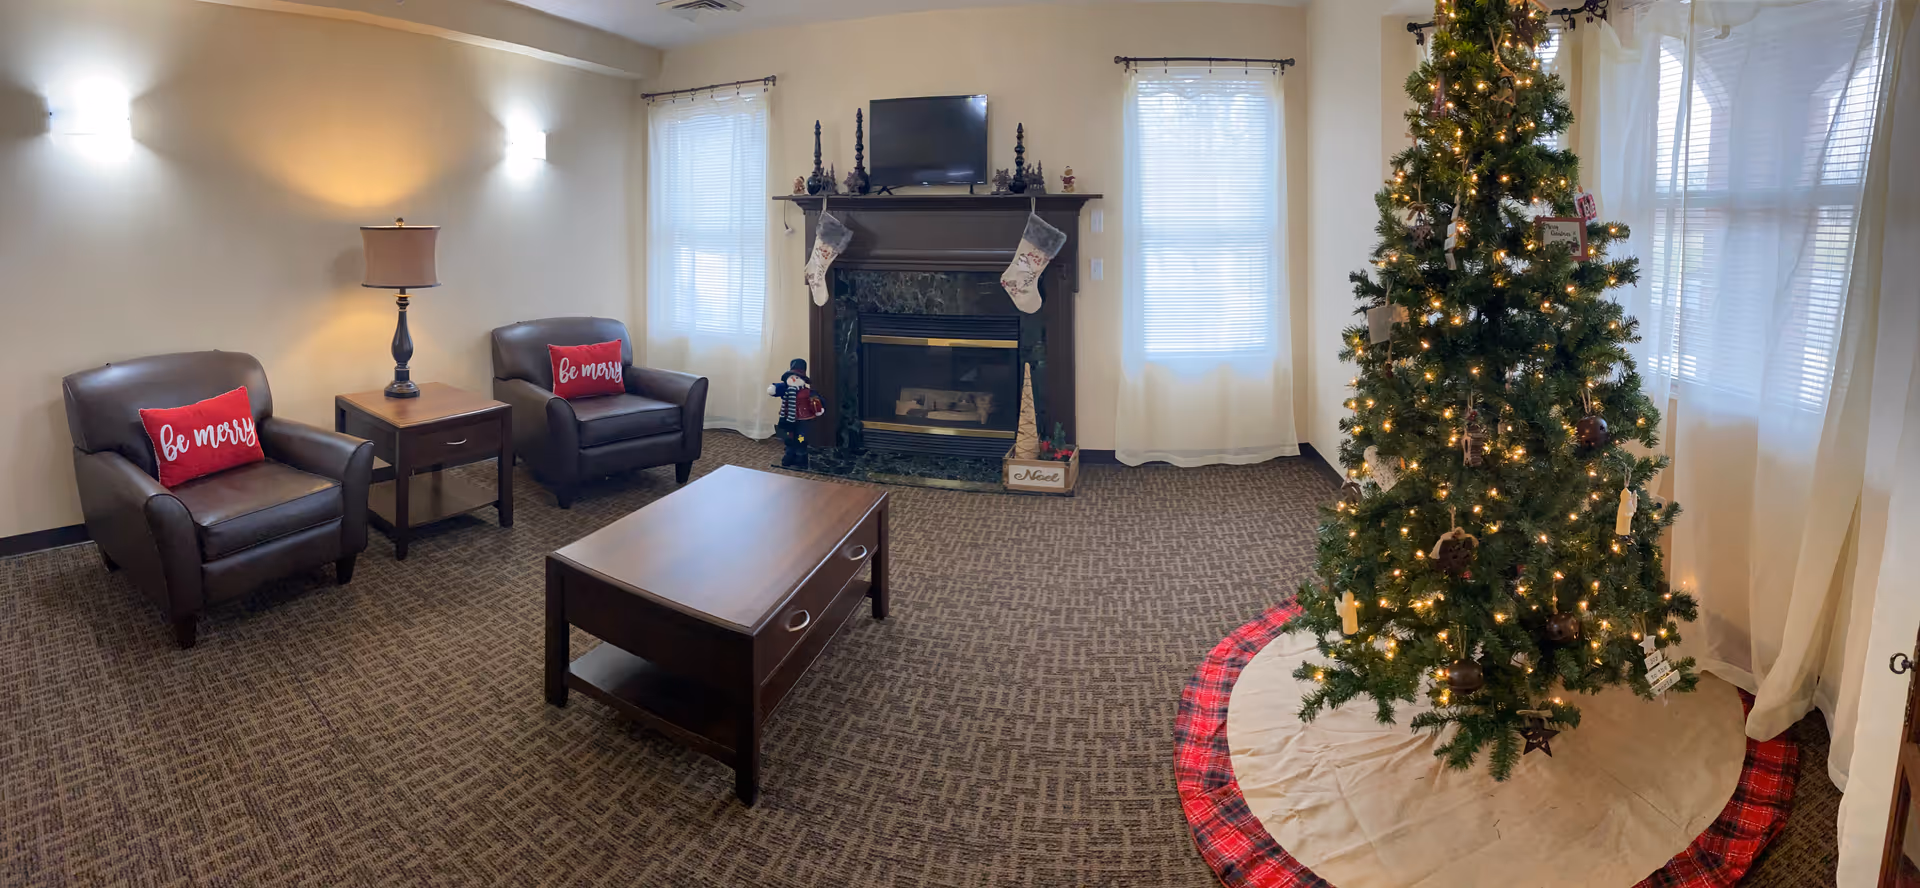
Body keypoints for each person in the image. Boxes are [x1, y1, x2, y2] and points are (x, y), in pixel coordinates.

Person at [767, 358, 820, 469]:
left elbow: (817, 400)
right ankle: (789, 454)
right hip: (787, 419)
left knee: (801, 438)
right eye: (792, 377)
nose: (794, 380)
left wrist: (818, 407)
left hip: (803, 420)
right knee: (788, 437)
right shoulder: (786, 389)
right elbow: (775, 389)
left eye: (797, 377)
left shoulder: (808, 392)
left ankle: (801, 456)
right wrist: (773, 388)